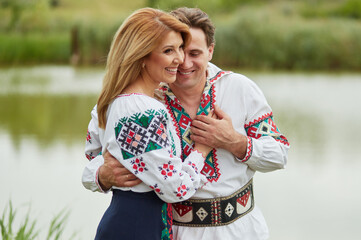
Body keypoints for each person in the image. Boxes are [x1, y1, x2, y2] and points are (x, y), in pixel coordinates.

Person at [83, 7, 290, 240]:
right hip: (171, 231)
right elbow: (94, 156)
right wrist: (101, 176)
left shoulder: (240, 89)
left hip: (239, 230)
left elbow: (279, 153)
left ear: (210, 51)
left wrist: (235, 142)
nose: (183, 61)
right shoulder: (141, 96)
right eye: (174, 50)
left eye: (194, 53)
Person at [84, 8, 213, 240]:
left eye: (180, 48)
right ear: (141, 56)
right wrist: (201, 152)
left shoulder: (113, 101)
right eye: (168, 50)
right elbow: (176, 189)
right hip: (137, 228)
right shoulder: (144, 112)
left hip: (129, 223)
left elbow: (93, 154)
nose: (180, 59)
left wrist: (105, 173)